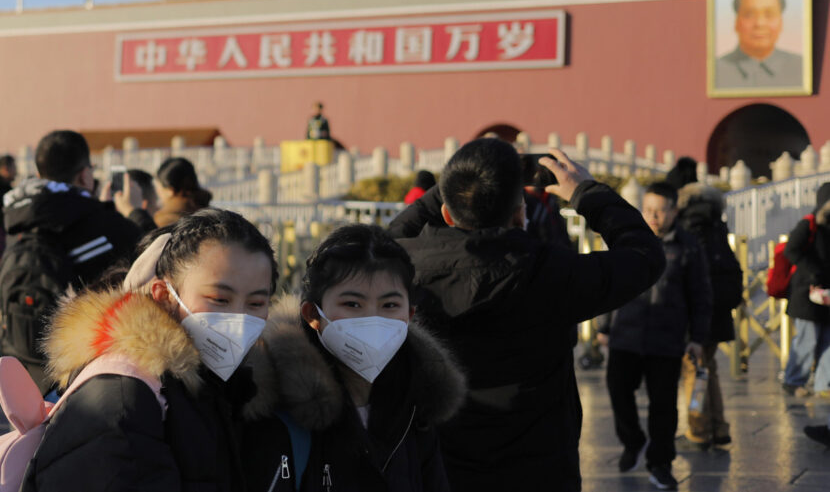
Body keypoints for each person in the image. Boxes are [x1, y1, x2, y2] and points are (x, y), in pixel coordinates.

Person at [389, 138, 666, 492]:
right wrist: (585, 192)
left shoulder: (403, 271)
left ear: (446, 211)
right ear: (521, 214)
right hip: (542, 470)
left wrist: (455, 185)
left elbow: (373, 240)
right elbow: (645, 254)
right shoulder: (553, 273)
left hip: (442, 468)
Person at [20, 208, 278, 491]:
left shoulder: (212, 387)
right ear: (165, 296)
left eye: (255, 304)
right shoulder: (124, 395)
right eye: (219, 299)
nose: (238, 318)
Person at [243, 224, 465, 491]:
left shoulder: (415, 408)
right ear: (313, 314)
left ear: (409, 316)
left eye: (390, 305)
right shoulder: (279, 415)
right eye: (352, 304)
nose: (372, 320)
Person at [0, 131, 144, 390]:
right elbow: (149, 260)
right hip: (81, 377)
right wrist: (135, 212)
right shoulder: (106, 224)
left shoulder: (14, 218)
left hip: (22, 372)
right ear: (84, 175)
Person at [597, 182, 711, 491]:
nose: (653, 217)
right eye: (647, 210)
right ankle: (632, 440)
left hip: (667, 338)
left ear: (674, 211)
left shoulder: (687, 246)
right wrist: (603, 327)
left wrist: (697, 338)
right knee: (618, 391)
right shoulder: (629, 242)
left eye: (660, 211)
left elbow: (700, 295)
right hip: (626, 335)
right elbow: (612, 282)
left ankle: (660, 463)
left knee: (663, 405)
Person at [675, 181, 743, 449]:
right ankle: (719, 426)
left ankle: (699, 430)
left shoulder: (689, 225)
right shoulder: (717, 226)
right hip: (719, 309)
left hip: (697, 311)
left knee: (694, 369)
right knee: (708, 369)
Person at [781, 182, 830, 397]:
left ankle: (824, 384)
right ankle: (793, 380)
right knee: (807, 340)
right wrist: (813, 271)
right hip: (806, 293)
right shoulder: (808, 225)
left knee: (828, 341)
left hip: (827, 294)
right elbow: (791, 250)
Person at [715, 0, 803, 89]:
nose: (760, 23)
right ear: (736, 22)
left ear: (781, 22)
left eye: (769, 15)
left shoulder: (801, 67)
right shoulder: (717, 69)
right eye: (749, 15)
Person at [154, 157, 212, 227]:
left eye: (159, 189)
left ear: (170, 190)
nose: (158, 192)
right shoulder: (213, 215)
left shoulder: (163, 221)